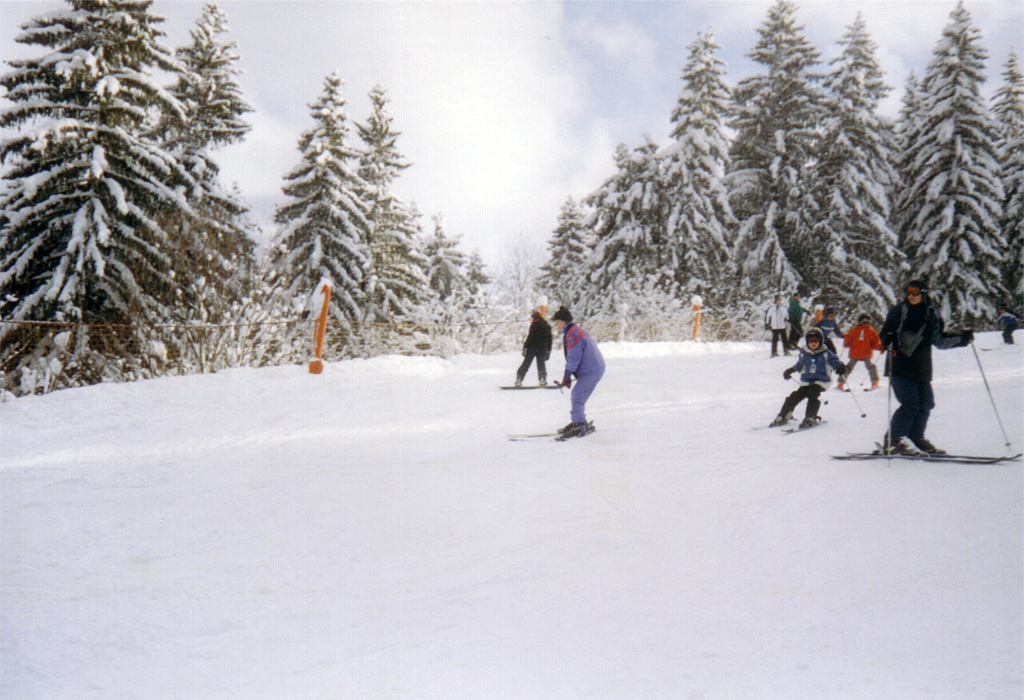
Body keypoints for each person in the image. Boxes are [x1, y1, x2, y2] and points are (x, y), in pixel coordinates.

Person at [878, 279, 973, 455]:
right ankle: (893, 440)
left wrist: (962, 339)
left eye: (915, 292)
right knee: (910, 403)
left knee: (926, 403)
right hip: (900, 363)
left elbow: (938, 340)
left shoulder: (931, 313)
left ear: (923, 293)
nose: (911, 295)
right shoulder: (899, 310)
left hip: (921, 365)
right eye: (908, 292)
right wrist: (888, 339)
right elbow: (885, 333)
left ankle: (916, 437)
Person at [769, 327, 846, 428]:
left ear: (821, 341)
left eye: (816, 340)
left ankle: (810, 417)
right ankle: (783, 416)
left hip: (822, 380)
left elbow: (835, 362)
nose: (813, 343)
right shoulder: (805, 353)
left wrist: (840, 367)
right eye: (810, 340)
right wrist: (791, 370)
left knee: (813, 393)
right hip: (807, 380)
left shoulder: (826, 353)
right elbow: (800, 365)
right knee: (794, 396)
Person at [552, 306, 605, 439]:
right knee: (577, 395)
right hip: (592, 368)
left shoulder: (573, 335)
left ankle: (579, 424)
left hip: (591, 370)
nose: (556, 324)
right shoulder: (574, 330)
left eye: (557, 321)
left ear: (563, 321)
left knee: (577, 396)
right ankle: (578, 420)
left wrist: (567, 375)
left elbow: (573, 358)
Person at [840, 313, 883, 391]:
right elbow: (848, 337)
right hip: (855, 352)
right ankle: (841, 382)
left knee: (870, 366)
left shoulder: (871, 331)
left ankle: (874, 381)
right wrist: (847, 342)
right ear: (860, 321)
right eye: (864, 321)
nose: (866, 323)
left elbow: (875, 342)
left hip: (866, 353)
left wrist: (880, 347)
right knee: (849, 367)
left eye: (868, 321)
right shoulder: (855, 330)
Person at [515, 309, 552, 386]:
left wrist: (525, 347)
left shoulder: (534, 325)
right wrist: (549, 351)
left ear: (534, 318)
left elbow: (530, 337)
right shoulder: (547, 326)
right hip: (543, 348)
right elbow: (550, 339)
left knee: (526, 363)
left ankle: (519, 378)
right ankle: (542, 379)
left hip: (532, 347)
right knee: (541, 364)